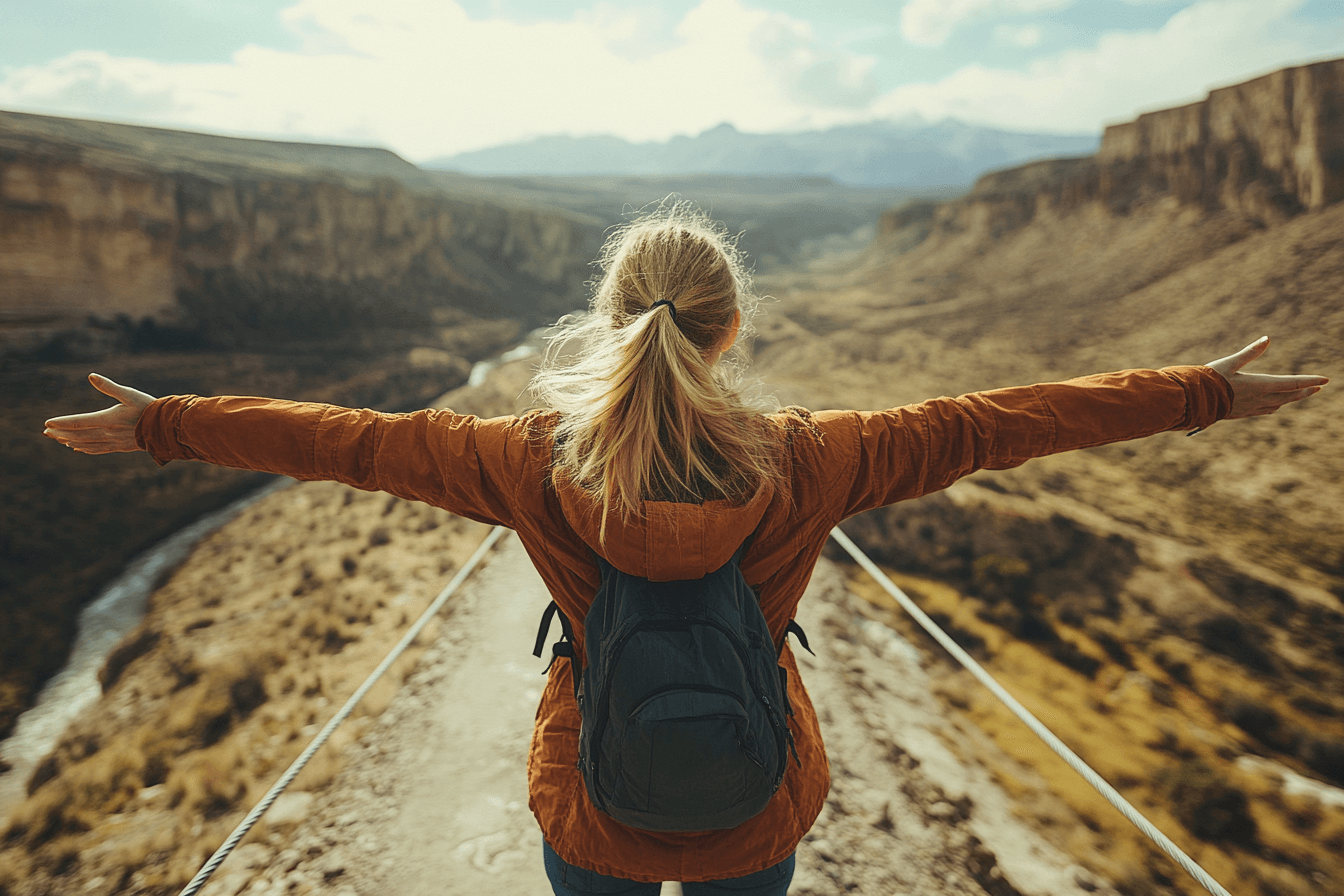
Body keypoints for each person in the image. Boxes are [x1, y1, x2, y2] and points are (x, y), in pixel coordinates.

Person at [44, 204, 1327, 896]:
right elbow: (1010, 422)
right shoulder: (817, 456)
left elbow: (346, 441)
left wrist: (162, 422)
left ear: (614, 320)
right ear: (728, 333)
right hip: (750, 792)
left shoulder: (528, 459)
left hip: (593, 792)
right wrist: (1199, 391)